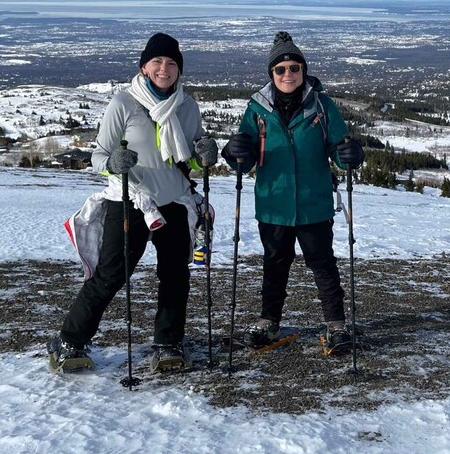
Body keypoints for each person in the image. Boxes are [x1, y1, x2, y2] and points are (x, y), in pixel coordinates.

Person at [49, 32, 218, 373]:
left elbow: (190, 160)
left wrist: (205, 156)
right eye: (157, 62)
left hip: (173, 201)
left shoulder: (187, 106)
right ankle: (69, 340)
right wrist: (114, 163)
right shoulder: (124, 103)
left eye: (171, 63)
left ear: (179, 70)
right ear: (144, 66)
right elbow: (98, 157)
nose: (164, 68)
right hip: (130, 200)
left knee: (175, 276)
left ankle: (168, 343)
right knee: (112, 273)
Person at [222, 31, 364, 351]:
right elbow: (243, 159)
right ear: (271, 74)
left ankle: (336, 325)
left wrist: (350, 155)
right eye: (281, 69)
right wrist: (234, 154)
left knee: (323, 264)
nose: (288, 74)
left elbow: (340, 148)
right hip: (273, 204)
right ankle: (268, 322)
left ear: (304, 69)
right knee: (275, 264)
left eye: (294, 67)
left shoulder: (322, 105)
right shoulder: (257, 109)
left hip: (313, 203)